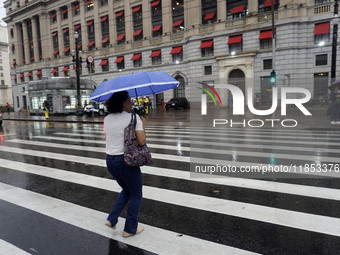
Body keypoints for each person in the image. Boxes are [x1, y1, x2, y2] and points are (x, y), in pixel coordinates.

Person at [104, 91, 146, 238]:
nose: (131, 102)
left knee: (127, 190)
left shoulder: (107, 118)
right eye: (129, 100)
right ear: (123, 102)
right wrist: (142, 125)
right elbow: (141, 142)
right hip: (126, 160)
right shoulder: (134, 118)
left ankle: (112, 218)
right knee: (136, 193)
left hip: (110, 160)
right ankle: (130, 229)